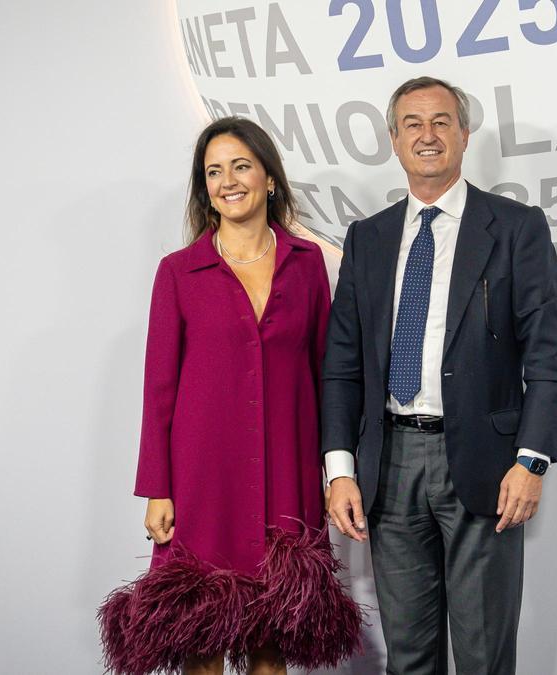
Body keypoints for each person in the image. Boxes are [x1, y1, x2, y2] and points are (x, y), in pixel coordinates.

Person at [323, 77, 557, 674]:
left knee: (484, 655)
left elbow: (548, 355)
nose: (427, 136)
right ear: (393, 139)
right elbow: (342, 366)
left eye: (441, 122)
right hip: (390, 465)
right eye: (412, 124)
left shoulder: (515, 228)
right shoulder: (368, 239)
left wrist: (532, 459)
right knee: (407, 656)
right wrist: (339, 469)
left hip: (487, 464)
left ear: (464, 134)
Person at [99, 117, 362, 675]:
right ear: (205, 188)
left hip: (287, 474)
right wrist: (157, 490)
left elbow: (328, 374)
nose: (228, 180)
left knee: (272, 640)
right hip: (202, 479)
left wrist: (337, 470)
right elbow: (159, 389)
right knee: (203, 635)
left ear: (269, 178)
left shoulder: (308, 264)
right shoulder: (178, 273)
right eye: (213, 171)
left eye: (241, 165)